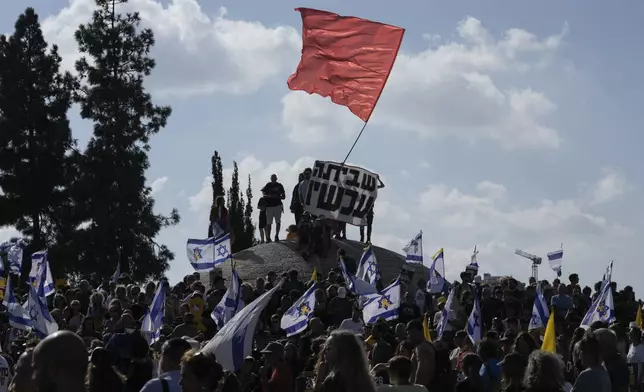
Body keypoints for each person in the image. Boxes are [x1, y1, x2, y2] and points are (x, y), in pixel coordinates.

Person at [406, 320, 436, 390]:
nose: (410, 336)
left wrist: (416, 389)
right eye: (408, 333)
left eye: (413, 333)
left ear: (421, 331)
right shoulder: (419, 347)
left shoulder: (422, 347)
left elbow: (424, 371)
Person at [261, 174, 286, 242]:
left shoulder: (279, 185)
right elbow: (263, 193)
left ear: (276, 179)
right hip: (269, 206)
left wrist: (277, 197)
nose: (273, 180)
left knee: (278, 221)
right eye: (272, 178)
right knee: (269, 223)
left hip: (277, 205)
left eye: (274, 178)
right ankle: (268, 237)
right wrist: (268, 196)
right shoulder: (268, 185)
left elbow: (284, 196)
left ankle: (276, 236)